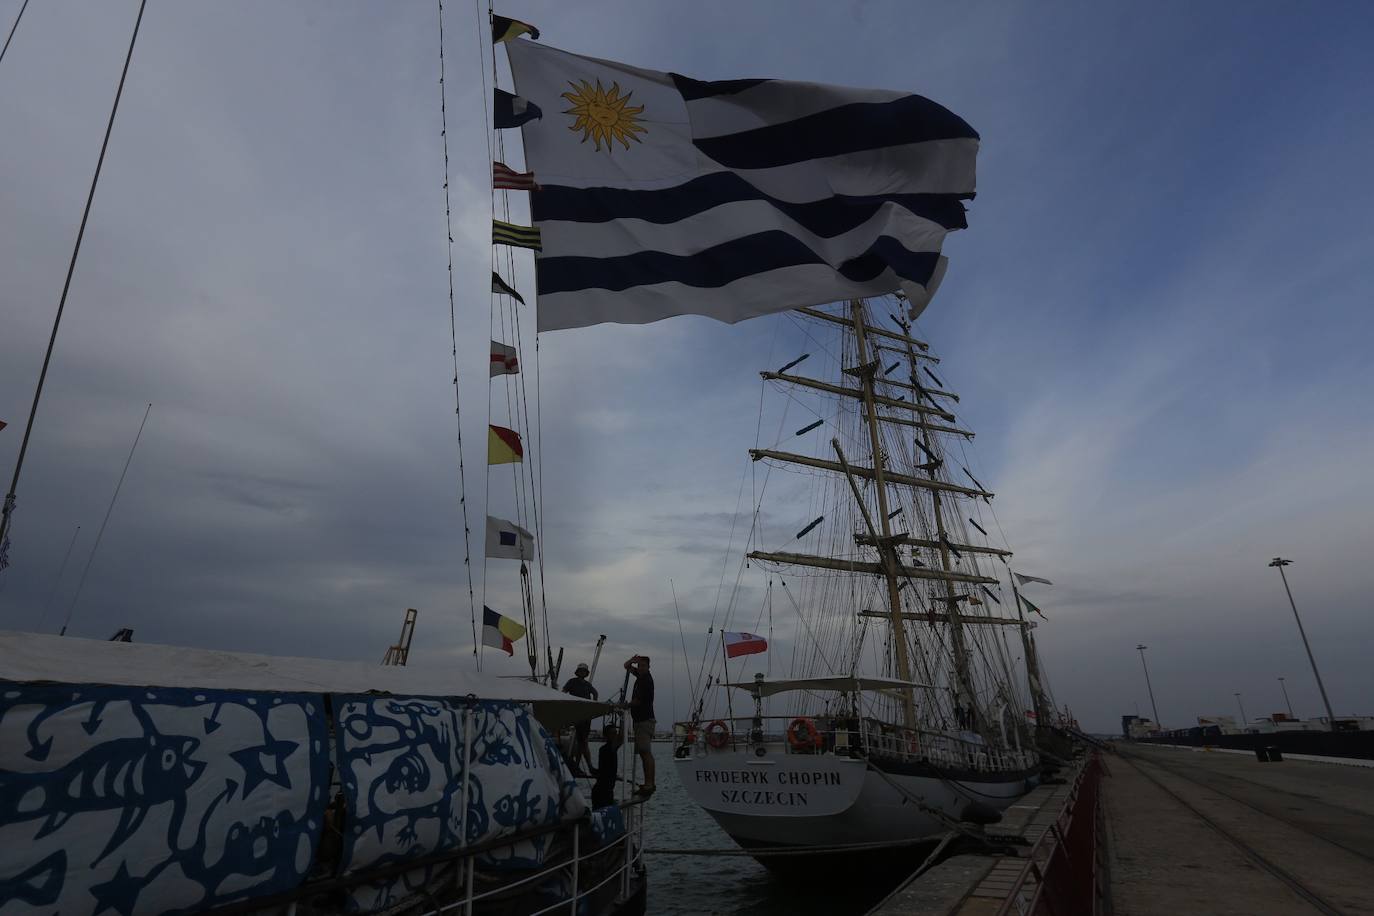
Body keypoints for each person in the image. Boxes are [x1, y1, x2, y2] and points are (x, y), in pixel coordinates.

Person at [623, 655, 655, 795]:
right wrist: (632, 660)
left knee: (645, 752)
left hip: (644, 721)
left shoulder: (645, 680)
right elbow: (626, 666)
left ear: (648, 667)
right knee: (643, 753)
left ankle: (649, 784)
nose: (640, 668)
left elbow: (637, 701)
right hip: (640, 721)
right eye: (639, 666)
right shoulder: (640, 676)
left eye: (643, 666)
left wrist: (625, 705)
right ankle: (648, 783)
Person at [561, 662, 599, 775]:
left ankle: (583, 767)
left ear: (586, 673)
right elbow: (563, 692)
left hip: (586, 714)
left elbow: (595, 693)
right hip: (577, 714)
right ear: (578, 672)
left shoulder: (587, 684)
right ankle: (584, 766)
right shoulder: (572, 682)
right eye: (581, 671)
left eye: (584, 671)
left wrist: (594, 704)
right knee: (582, 741)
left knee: (583, 741)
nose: (582, 673)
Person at [591, 723, 622, 808]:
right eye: (613, 733)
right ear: (606, 735)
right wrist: (622, 721)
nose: (615, 735)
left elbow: (604, 769)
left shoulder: (603, 749)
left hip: (602, 790)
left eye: (615, 733)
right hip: (604, 792)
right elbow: (621, 738)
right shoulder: (610, 748)